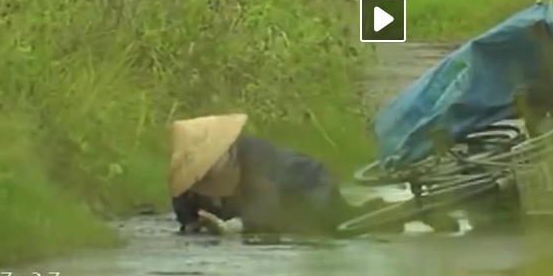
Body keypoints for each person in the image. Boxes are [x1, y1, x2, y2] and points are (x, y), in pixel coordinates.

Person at [169, 113, 454, 237]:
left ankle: (412, 212)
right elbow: (185, 214)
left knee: (343, 228)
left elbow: (264, 215)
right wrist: (194, 226)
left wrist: (231, 230)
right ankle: (403, 212)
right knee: (349, 220)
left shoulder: (256, 160)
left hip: (306, 186)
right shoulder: (187, 182)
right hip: (276, 203)